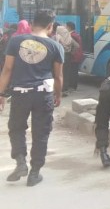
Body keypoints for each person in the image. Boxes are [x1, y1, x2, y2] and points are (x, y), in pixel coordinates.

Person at [0, 10, 63, 187]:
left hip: (21, 93)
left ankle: (20, 162)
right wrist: (58, 95)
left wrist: (1, 93)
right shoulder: (55, 46)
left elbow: (7, 69)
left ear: (32, 23)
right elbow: (59, 77)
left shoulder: (16, 40)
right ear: (50, 26)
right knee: (41, 132)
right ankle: (34, 173)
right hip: (44, 94)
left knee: (16, 127)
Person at [54, 25, 76, 95]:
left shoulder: (57, 37)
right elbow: (77, 46)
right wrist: (72, 52)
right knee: (66, 73)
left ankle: (58, 90)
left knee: (59, 73)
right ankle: (65, 89)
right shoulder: (69, 37)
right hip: (68, 56)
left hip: (59, 56)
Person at [66, 21, 83, 92]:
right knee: (74, 72)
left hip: (74, 56)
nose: (65, 28)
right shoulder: (76, 34)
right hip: (77, 56)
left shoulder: (72, 36)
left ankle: (72, 87)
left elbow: (73, 46)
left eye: (66, 27)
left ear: (69, 27)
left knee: (72, 72)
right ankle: (73, 86)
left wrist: (71, 53)